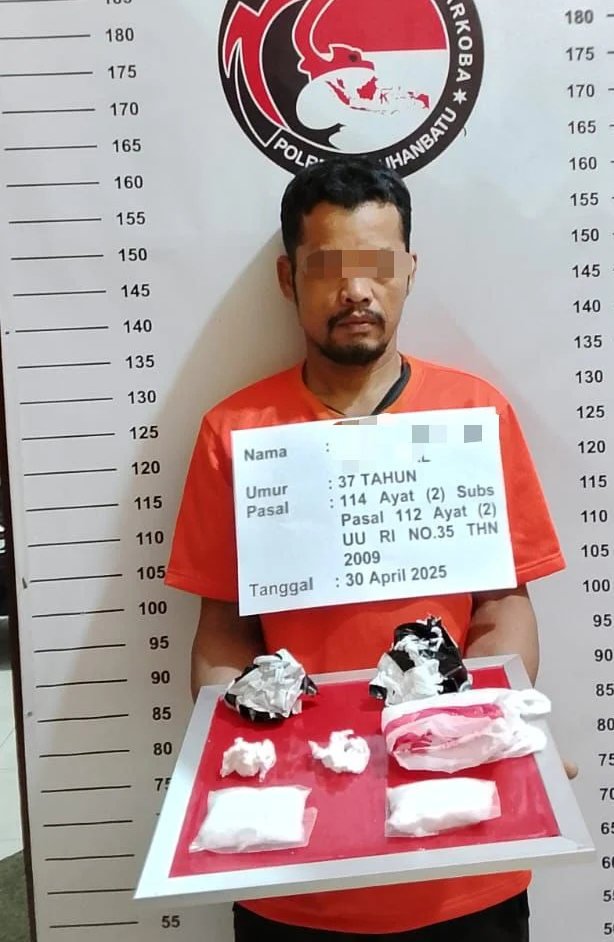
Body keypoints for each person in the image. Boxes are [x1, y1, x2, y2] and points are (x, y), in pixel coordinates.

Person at [166, 156, 569, 941]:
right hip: (295, 870)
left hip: (465, 861)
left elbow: (504, 609)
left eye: (378, 266)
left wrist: (485, 727)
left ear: (409, 270)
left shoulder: (474, 414)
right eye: (327, 269)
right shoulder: (235, 432)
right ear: (288, 279)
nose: (355, 290)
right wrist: (251, 755)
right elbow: (222, 635)